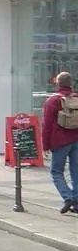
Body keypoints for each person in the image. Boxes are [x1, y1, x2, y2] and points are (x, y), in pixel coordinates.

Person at [42, 71, 78, 214]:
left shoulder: (52, 100)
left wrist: (45, 145)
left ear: (57, 83)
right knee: (76, 172)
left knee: (56, 171)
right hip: (76, 139)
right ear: (71, 84)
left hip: (60, 141)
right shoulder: (76, 98)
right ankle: (77, 202)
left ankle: (67, 196)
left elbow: (46, 125)